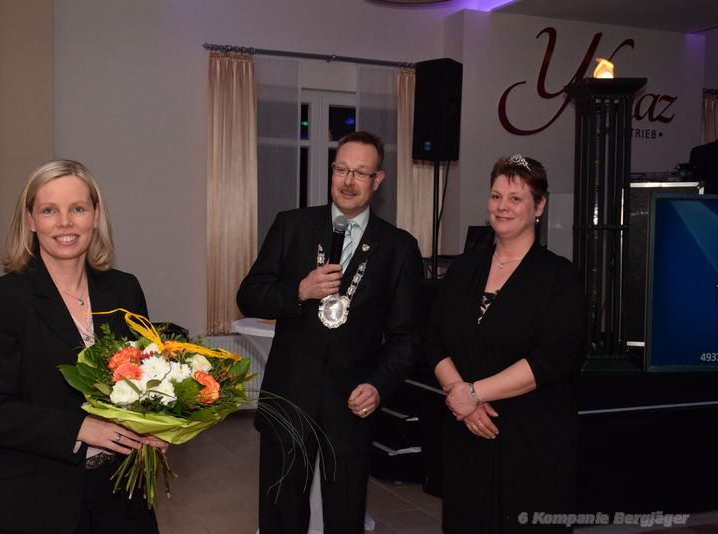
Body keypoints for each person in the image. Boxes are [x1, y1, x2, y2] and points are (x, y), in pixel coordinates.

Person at [0, 160, 166, 534]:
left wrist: (156, 424)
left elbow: (147, 378)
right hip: (38, 498)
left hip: (123, 496)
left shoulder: (125, 289)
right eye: (49, 210)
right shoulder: (1, 299)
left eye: (78, 209)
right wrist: (80, 428)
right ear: (30, 220)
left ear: (95, 216)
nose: (65, 223)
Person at [237, 131, 424, 534]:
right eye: (341, 169)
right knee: (281, 517)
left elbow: (406, 336)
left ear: (378, 180)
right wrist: (298, 291)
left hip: (352, 404)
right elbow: (249, 296)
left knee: (344, 518)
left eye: (361, 172)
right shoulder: (292, 225)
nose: (348, 181)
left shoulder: (399, 247)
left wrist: (378, 385)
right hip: (289, 397)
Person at [428, 155, 586, 533]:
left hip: (532, 441)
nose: (503, 206)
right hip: (467, 434)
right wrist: (460, 397)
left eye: (516, 198)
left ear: (539, 206)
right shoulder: (463, 269)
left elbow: (552, 359)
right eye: (496, 196)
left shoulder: (559, 276)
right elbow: (432, 339)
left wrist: (472, 394)